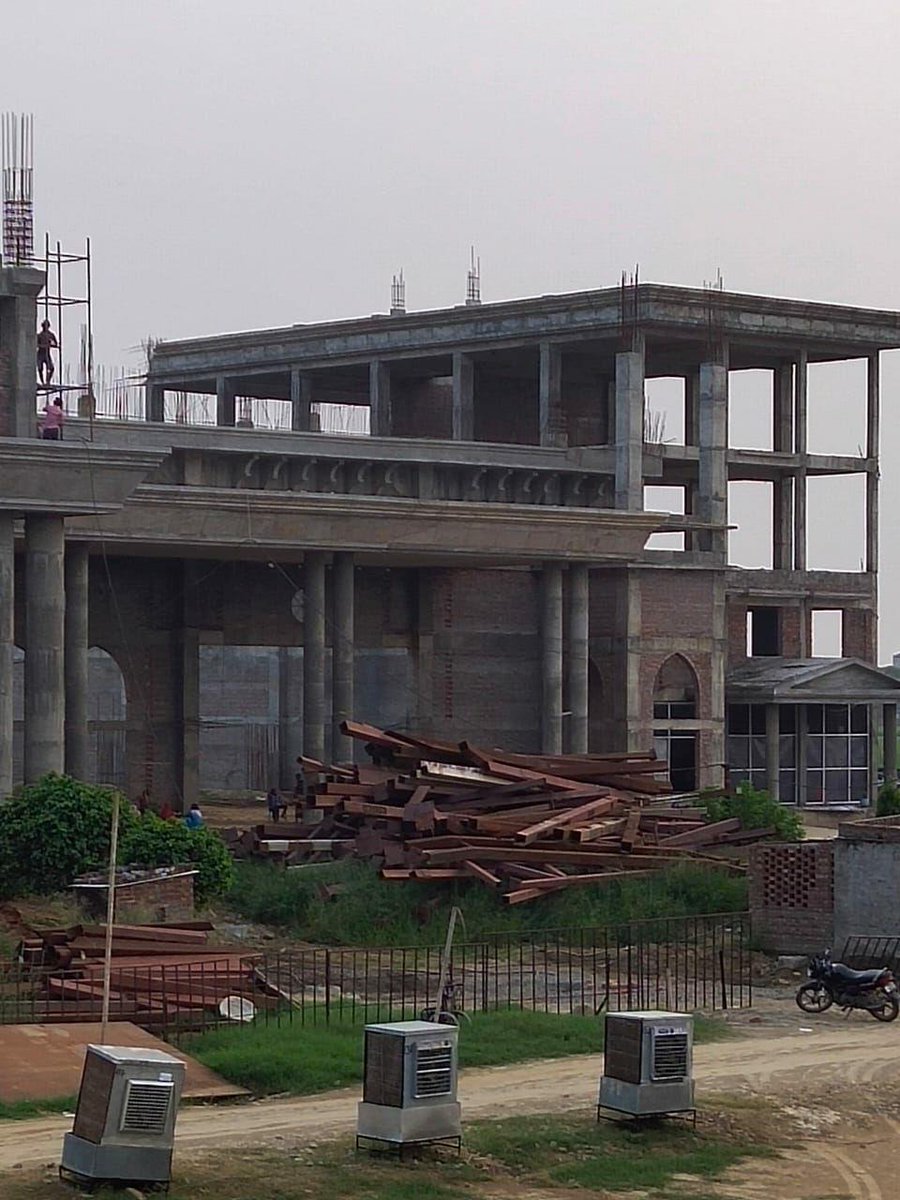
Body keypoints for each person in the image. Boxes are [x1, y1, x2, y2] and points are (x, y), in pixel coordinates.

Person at [36, 320, 58, 384]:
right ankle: (43, 382)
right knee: (40, 368)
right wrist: (42, 345)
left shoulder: (50, 335)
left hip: (47, 354)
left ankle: (47, 381)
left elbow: (55, 343)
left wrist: (51, 344)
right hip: (40, 353)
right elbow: (36, 344)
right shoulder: (39, 335)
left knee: (51, 368)